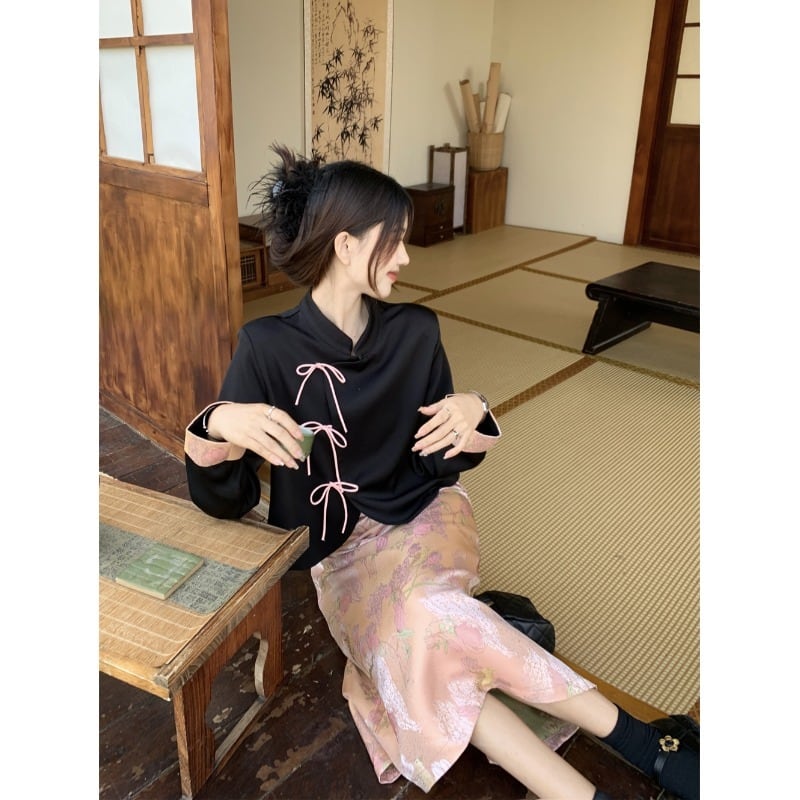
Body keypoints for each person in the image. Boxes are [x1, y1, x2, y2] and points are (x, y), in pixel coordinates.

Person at [183, 144, 699, 800]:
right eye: (392, 240)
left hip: (426, 517)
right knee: (428, 642)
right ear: (345, 245)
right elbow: (224, 502)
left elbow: (438, 460)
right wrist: (218, 425)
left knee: (427, 620)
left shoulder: (415, 333)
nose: (405, 257)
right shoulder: (266, 348)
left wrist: (472, 411)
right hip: (340, 558)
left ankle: (640, 747)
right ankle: (649, 748)